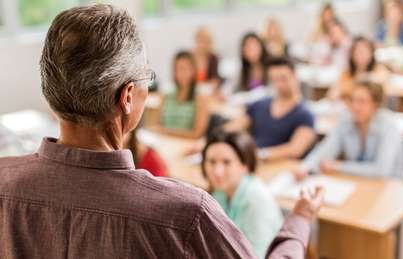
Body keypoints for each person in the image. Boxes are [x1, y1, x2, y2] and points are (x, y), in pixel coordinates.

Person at [0, 4, 325, 258]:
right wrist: (298, 222)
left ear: (50, 96)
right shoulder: (187, 215)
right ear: (127, 97)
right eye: (147, 78)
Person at [295, 80, 403, 180]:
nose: (355, 106)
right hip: (361, 182)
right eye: (353, 100)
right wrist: (306, 167)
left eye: (362, 101)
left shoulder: (389, 126)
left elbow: (381, 171)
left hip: (393, 186)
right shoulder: (346, 120)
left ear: (375, 105)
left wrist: (339, 166)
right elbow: (326, 149)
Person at [202, 130, 284, 258]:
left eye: (227, 162)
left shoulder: (257, 199)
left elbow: (257, 256)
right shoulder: (219, 192)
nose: (217, 172)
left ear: (245, 165)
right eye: (212, 162)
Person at [225, 58, 316, 161]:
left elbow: (296, 149)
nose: (279, 84)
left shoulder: (305, 114)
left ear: (295, 77)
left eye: (283, 79)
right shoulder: (260, 105)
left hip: (279, 164)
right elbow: (233, 127)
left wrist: (261, 154)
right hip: (253, 161)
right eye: (275, 80)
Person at [152, 50, 209, 139]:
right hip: (166, 143)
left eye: (183, 69)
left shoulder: (200, 98)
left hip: (188, 147)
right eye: (176, 69)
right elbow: (157, 125)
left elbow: (197, 134)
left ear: (193, 71)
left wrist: (167, 132)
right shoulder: (166, 96)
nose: (179, 73)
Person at [328, 36, 389, 101]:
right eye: (357, 52)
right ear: (352, 54)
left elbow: (384, 83)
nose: (361, 55)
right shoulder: (347, 73)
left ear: (371, 53)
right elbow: (333, 94)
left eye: (364, 52)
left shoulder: (379, 70)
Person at [193, 26, 221, 91]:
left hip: (207, 91)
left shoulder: (213, 58)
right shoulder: (190, 57)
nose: (201, 44)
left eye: (204, 40)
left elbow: (215, 81)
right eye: (199, 40)